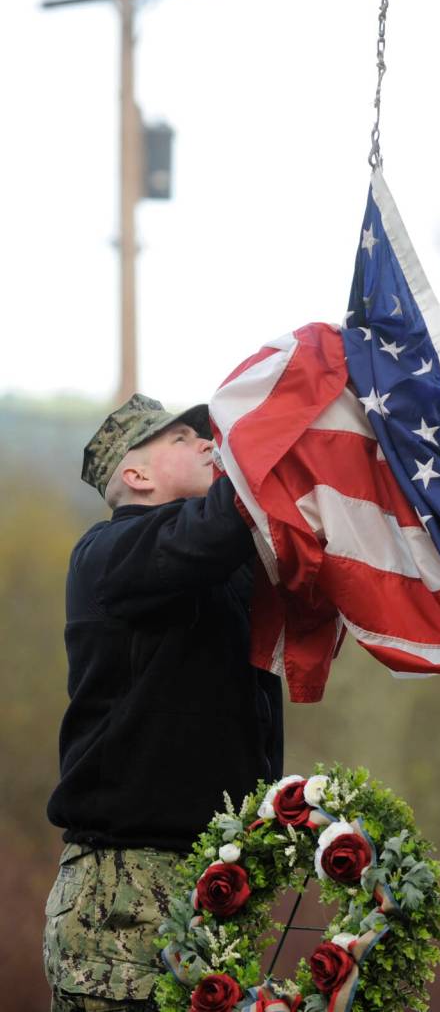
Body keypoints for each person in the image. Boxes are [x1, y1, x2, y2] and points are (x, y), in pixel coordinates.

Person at [43, 394, 284, 1012]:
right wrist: (275, 434)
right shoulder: (107, 552)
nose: (210, 443)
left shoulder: (218, 570)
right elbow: (206, 535)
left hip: (214, 884)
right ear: (137, 475)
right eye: (183, 439)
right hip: (123, 898)